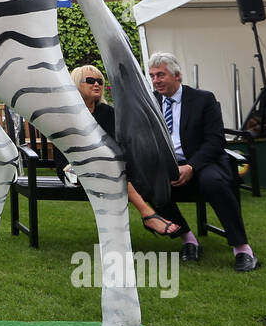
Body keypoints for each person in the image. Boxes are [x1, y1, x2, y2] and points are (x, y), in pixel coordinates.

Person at [148, 52, 260, 272]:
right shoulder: (151, 102)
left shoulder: (203, 99)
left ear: (177, 75)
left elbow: (215, 140)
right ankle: (187, 240)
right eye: (152, 76)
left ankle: (242, 249)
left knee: (214, 183)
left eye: (161, 75)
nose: (156, 80)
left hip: (201, 162)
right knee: (148, 184)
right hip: (167, 164)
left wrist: (191, 167)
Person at [70, 65, 182, 238]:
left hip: (109, 168)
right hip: (73, 167)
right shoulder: (70, 115)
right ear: (76, 84)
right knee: (124, 172)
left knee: (143, 174)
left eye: (100, 81)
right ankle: (148, 215)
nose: (97, 85)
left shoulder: (108, 112)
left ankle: (183, 233)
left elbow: (120, 144)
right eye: (90, 81)